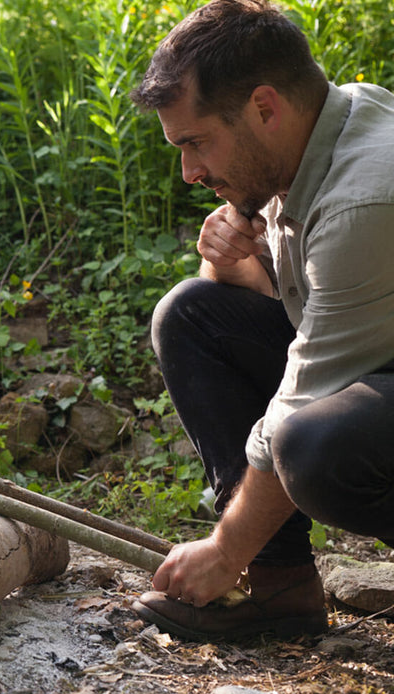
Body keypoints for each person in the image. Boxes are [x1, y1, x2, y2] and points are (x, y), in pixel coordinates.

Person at [128, 0, 394, 641]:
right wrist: (236, 268)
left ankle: (251, 565)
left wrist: (225, 552)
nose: (189, 172)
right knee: (191, 314)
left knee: (313, 444)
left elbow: (304, 393)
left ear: (264, 107)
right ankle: (282, 589)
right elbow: (307, 309)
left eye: (194, 143)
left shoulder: (366, 196)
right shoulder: (312, 135)